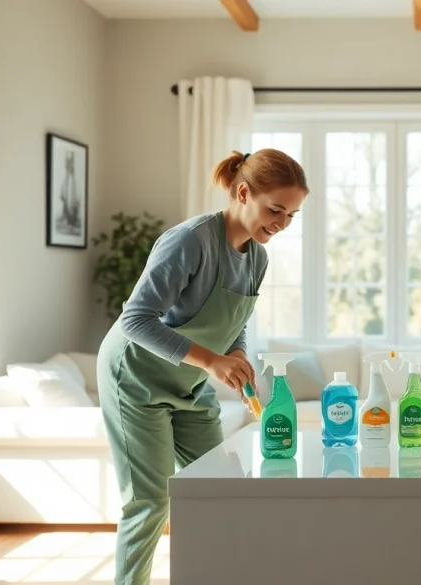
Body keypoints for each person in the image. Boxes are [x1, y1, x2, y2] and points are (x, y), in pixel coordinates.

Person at [97, 148, 308, 585]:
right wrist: (212, 360)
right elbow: (135, 319)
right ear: (243, 192)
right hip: (134, 378)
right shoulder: (190, 240)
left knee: (222, 488)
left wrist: (238, 357)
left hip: (189, 385)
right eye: (275, 210)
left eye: (292, 215)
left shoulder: (257, 257)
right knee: (150, 501)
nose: (282, 223)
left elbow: (235, 321)